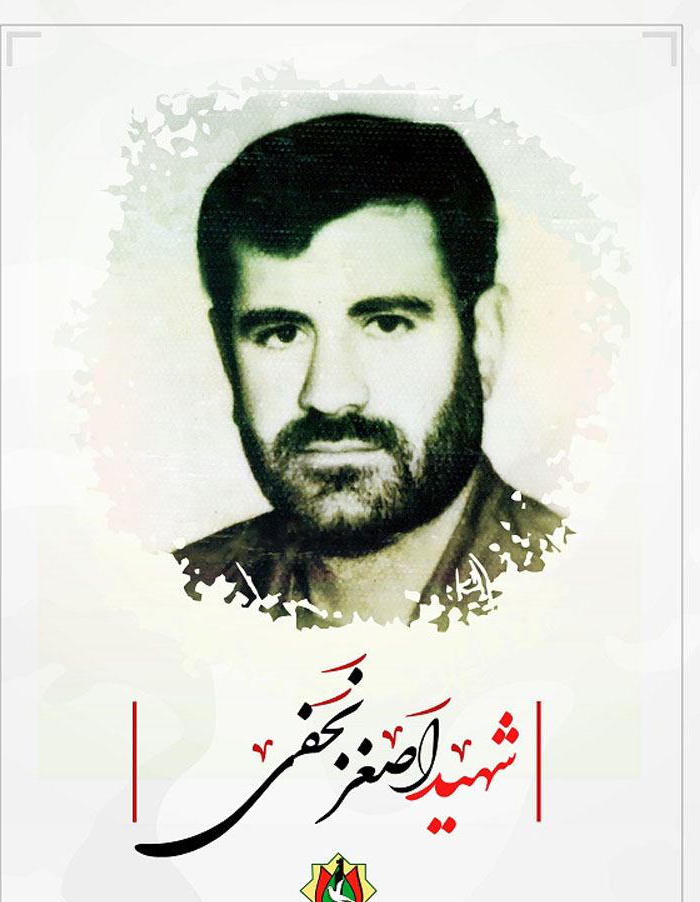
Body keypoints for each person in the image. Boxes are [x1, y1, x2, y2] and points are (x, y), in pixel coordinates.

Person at [175, 112, 568, 628]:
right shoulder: (174, 605)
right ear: (228, 357)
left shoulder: (589, 597)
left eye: (386, 324)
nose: (329, 394)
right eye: (282, 334)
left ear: (484, 340)